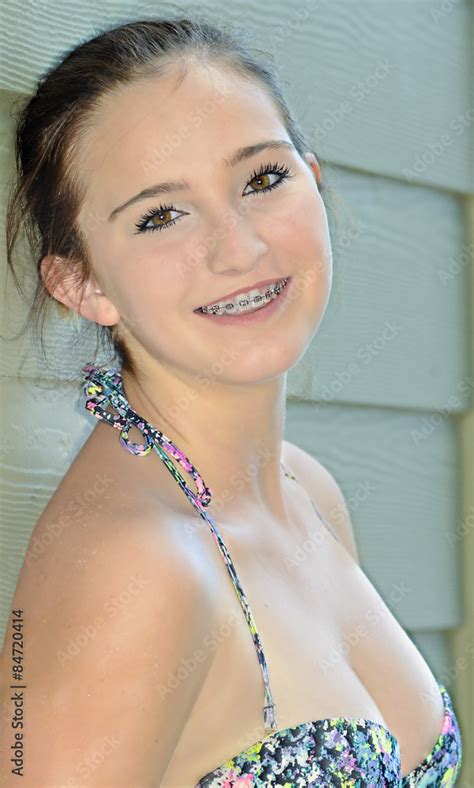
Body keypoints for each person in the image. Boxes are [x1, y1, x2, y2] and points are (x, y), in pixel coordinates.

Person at [0, 15, 462, 787]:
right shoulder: (135, 566)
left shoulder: (305, 491)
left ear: (313, 181)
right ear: (82, 284)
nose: (240, 248)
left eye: (262, 179)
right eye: (160, 216)